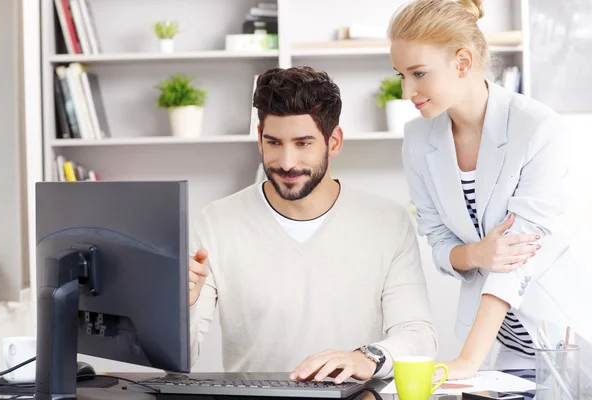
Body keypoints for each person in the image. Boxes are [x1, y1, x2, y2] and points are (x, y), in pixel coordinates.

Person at [187, 66, 437, 383]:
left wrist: (366, 358)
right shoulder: (214, 222)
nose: (287, 162)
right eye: (274, 142)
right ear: (260, 141)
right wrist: (185, 305)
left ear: (334, 142)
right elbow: (183, 355)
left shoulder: (388, 222)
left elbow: (418, 335)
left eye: (303, 143)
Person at [388, 0, 591, 380]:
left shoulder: (536, 128)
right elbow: (437, 240)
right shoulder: (418, 137)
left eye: (418, 73)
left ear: (462, 62)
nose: (407, 91)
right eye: (401, 75)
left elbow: (518, 255)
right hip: (506, 343)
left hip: (566, 338)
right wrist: (477, 253)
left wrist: (467, 360)